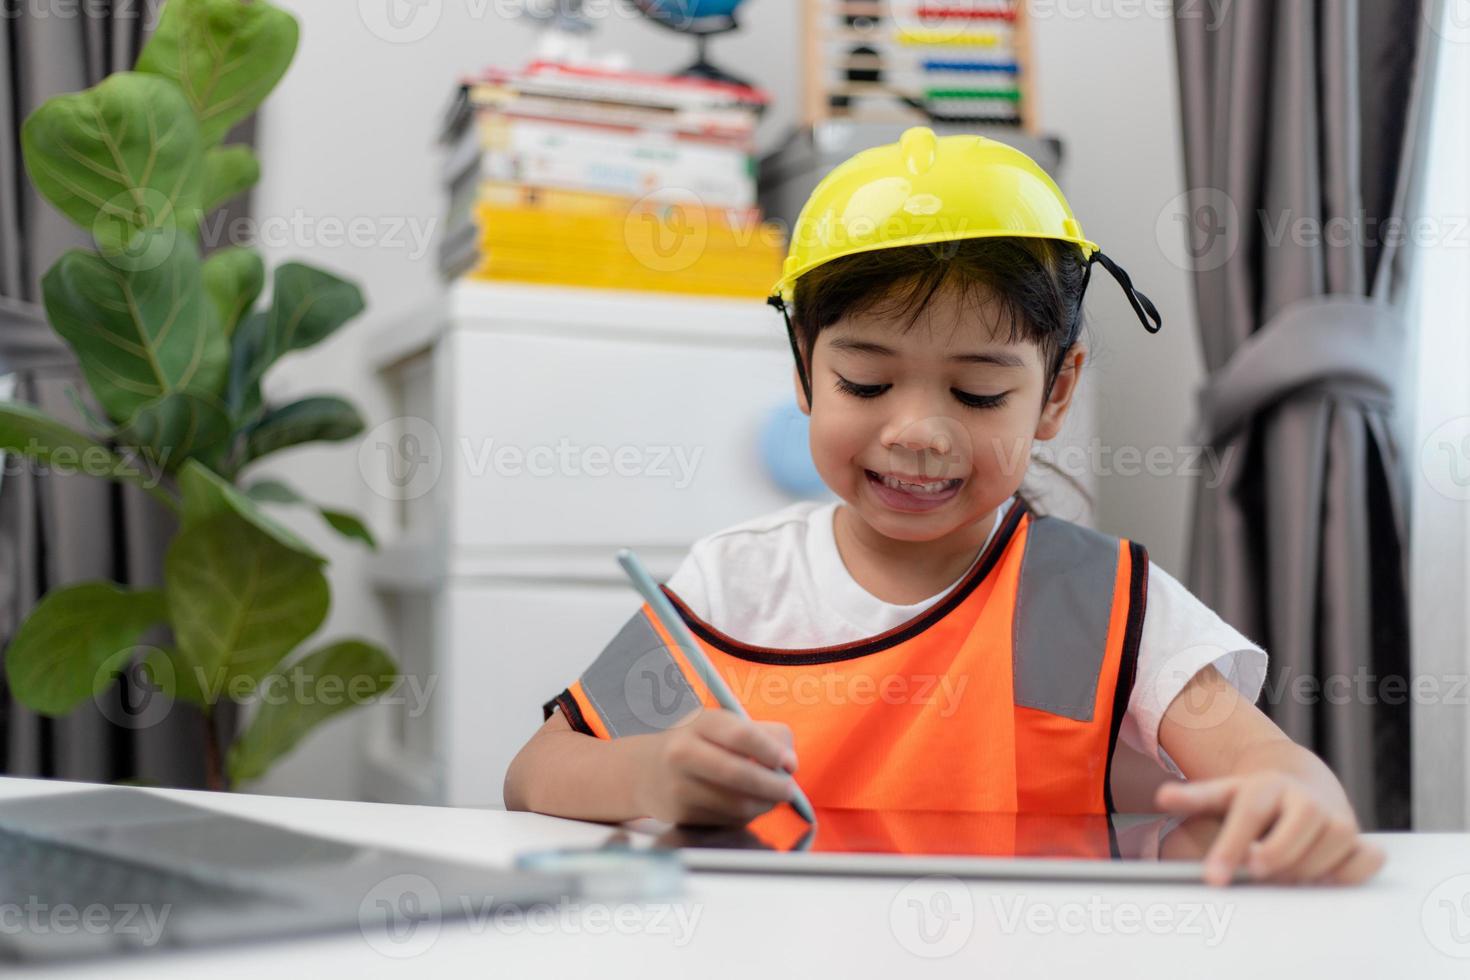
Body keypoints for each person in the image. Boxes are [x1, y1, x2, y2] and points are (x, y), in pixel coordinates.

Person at [504, 128, 1385, 886]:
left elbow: (1272, 764)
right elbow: (538, 774)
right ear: (804, 371)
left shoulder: (1092, 598)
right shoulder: (736, 580)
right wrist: (655, 775)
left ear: (1055, 393)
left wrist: (1296, 798)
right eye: (867, 381)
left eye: (976, 393)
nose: (918, 432)